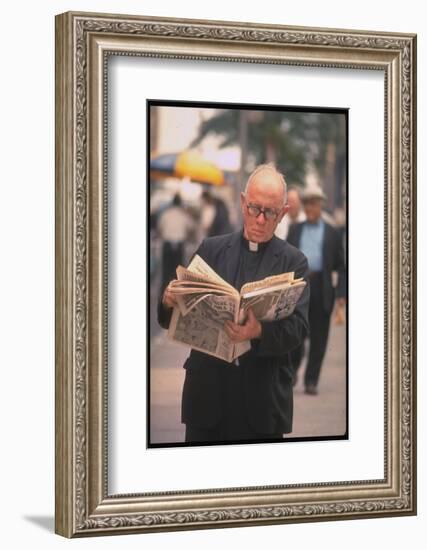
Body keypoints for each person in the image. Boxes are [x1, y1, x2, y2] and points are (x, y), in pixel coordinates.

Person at [158, 163, 310, 444]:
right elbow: (170, 318)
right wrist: (169, 301)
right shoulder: (211, 249)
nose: (261, 220)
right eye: (254, 208)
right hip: (206, 401)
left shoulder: (294, 262)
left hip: (261, 406)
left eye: (270, 212)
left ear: (283, 213)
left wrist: (259, 332)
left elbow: (298, 329)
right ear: (243, 203)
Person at [287, 186, 346, 396]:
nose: (311, 207)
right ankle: (292, 372)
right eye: (308, 203)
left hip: (322, 288)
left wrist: (340, 295)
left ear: (320, 205)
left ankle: (311, 380)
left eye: (315, 203)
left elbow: (341, 265)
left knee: (320, 339)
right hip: (299, 287)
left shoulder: (332, 233)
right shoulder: (295, 229)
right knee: (295, 333)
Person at [156, 193, 195, 293]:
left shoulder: (166, 214)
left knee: (166, 272)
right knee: (177, 273)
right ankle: (177, 294)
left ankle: (164, 294)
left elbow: (159, 229)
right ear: (180, 203)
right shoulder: (184, 214)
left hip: (167, 245)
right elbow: (191, 229)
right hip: (179, 246)